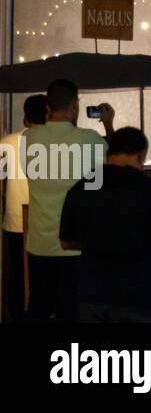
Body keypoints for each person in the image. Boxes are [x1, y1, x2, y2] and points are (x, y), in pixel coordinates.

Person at [59, 127, 151, 323]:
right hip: (144, 297)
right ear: (140, 155)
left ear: (108, 154)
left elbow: (66, 242)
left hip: (93, 296)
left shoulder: (81, 187)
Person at [24, 79, 112, 323]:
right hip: (75, 245)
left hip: (39, 243)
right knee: (72, 310)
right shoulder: (90, 139)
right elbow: (117, 161)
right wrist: (109, 124)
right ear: (74, 106)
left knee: (38, 307)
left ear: (48, 108)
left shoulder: (29, 140)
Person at [1, 95, 45, 322]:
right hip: (47, 225)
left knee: (16, 282)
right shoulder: (57, 143)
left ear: (25, 116)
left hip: (15, 223)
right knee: (44, 282)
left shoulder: (7, 143)